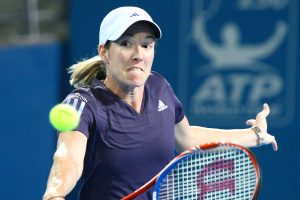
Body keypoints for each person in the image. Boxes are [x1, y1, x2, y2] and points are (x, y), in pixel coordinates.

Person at [43, 6, 277, 200]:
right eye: (126, 43)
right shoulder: (83, 104)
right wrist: (55, 193)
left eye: (147, 45)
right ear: (104, 52)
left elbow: (187, 138)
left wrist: (254, 135)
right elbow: (68, 159)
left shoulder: (160, 88)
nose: (138, 54)